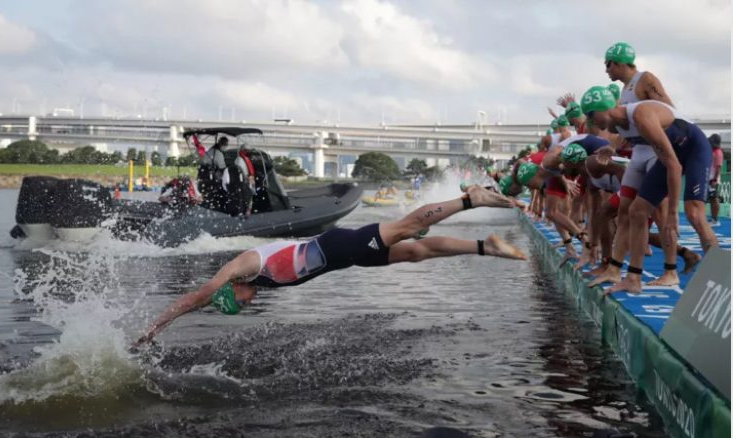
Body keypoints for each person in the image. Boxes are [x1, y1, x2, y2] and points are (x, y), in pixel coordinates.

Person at [134, 186, 527, 344]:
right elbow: (202, 303)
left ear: (231, 288)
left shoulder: (242, 266)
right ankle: (484, 246)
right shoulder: (250, 284)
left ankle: (470, 200)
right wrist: (157, 332)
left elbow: (195, 297)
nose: (249, 303)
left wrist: (153, 326)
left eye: (241, 302)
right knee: (415, 252)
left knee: (409, 226)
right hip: (345, 259)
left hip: (340, 245)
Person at [581, 86, 718, 294]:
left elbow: (674, 166)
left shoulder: (640, 116)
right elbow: (635, 142)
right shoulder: (617, 125)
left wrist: (673, 212)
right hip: (670, 154)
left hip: (693, 147)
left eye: (590, 116)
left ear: (602, 110)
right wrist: (611, 149)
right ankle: (633, 279)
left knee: (694, 214)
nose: (590, 123)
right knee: (637, 211)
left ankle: (719, 277)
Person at [196, 136, 229, 209]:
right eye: (226, 145)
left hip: (203, 175)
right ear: (222, 144)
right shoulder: (218, 154)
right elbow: (222, 168)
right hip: (213, 177)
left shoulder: (210, 151)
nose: (226, 146)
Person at [707, 133, 724, 226]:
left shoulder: (718, 152)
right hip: (709, 178)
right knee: (711, 198)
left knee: (714, 198)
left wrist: (714, 180)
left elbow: (718, 167)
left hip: (713, 180)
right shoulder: (713, 151)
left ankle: (715, 220)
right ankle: (713, 219)